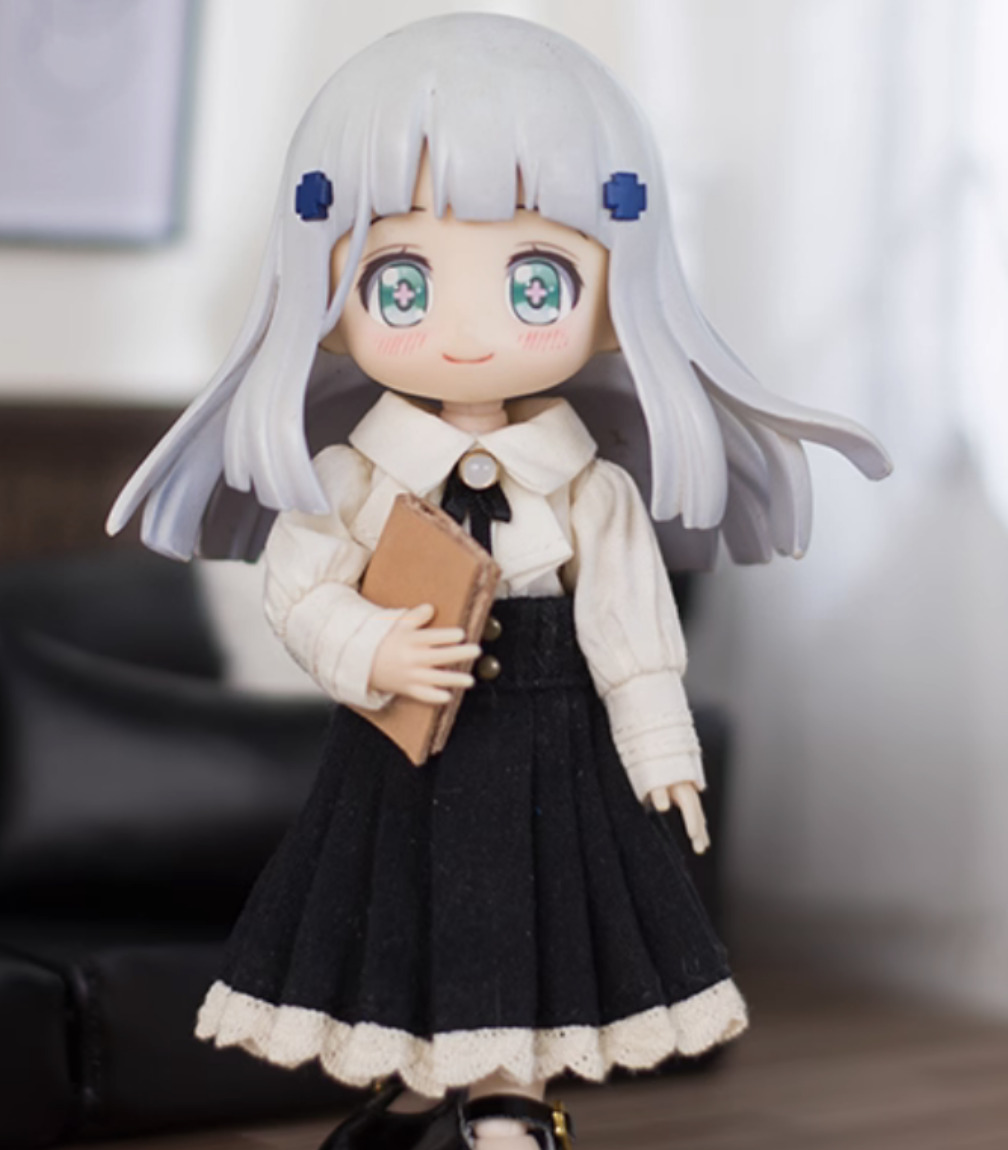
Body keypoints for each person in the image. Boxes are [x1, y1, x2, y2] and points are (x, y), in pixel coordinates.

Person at [108, 14, 891, 1149]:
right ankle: (418, 1099)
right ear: (325, 298)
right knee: (407, 929)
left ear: (617, 296)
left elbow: (630, 631)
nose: (468, 332)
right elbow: (299, 591)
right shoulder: (353, 477)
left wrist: (662, 751)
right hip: (402, 749)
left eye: (535, 284)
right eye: (402, 284)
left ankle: (510, 1106)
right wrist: (370, 647)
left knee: (533, 932)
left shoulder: (588, 487)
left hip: (554, 747)